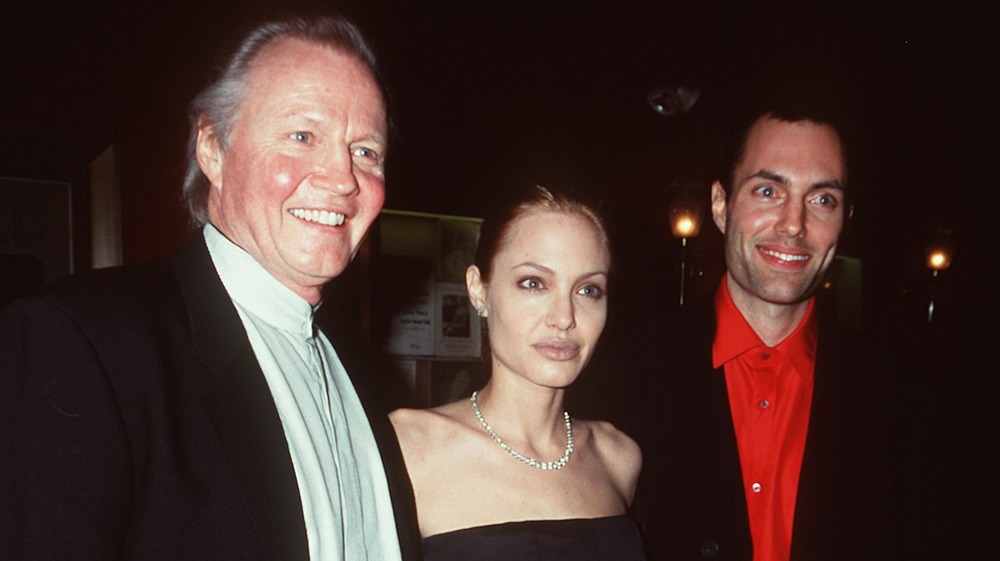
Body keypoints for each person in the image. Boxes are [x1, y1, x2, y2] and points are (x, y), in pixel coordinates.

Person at [0, 15, 419, 561]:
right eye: (302, 135)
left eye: (366, 151)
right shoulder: (83, 343)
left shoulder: (358, 369)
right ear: (213, 150)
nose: (342, 178)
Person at [603, 100, 896, 561]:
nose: (794, 225)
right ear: (720, 205)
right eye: (767, 191)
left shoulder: (898, 394)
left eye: (822, 200)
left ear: (846, 220)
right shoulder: (624, 367)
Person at [389, 185, 645, 560]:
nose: (564, 318)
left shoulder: (618, 456)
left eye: (588, 290)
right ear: (479, 290)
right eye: (534, 283)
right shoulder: (408, 448)